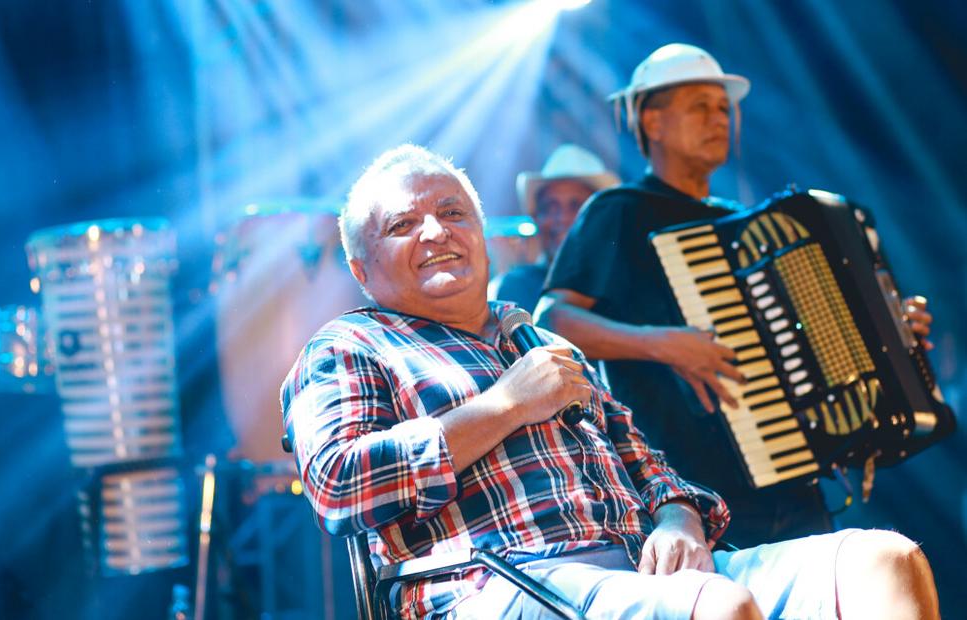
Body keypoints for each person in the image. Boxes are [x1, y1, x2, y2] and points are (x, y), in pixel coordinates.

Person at [281, 144, 939, 620]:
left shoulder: (541, 341)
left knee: (885, 561)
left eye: (453, 213)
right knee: (713, 607)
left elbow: (649, 467)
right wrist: (506, 404)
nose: (437, 231)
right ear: (362, 268)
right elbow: (340, 484)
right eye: (403, 224)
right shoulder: (348, 347)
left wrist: (679, 517)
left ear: (481, 235)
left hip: (635, 568)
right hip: (500, 585)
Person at [536, 43, 934, 547]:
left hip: (795, 482)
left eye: (724, 107)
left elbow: (803, 332)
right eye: (699, 105)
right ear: (652, 122)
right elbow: (553, 318)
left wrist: (886, 329)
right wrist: (662, 343)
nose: (719, 118)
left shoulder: (743, 225)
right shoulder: (618, 210)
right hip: (687, 494)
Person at [489, 144, 618, 313]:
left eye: (577, 206)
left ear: (602, 218)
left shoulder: (626, 283)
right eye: (550, 206)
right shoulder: (514, 288)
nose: (562, 218)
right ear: (536, 218)